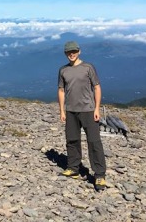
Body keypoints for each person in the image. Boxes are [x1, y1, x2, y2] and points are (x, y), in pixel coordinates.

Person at [57, 40, 107, 191]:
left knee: (94, 142)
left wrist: (97, 109)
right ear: (65, 53)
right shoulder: (63, 70)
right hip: (71, 110)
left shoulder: (88, 67)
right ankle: (73, 168)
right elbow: (61, 90)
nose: (71, 54)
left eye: (74, 51)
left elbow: (97, 87)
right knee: (72, 140)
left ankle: (99, 175)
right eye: (68, 52)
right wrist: (62, 110)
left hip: (88, 110)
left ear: (79, 51)